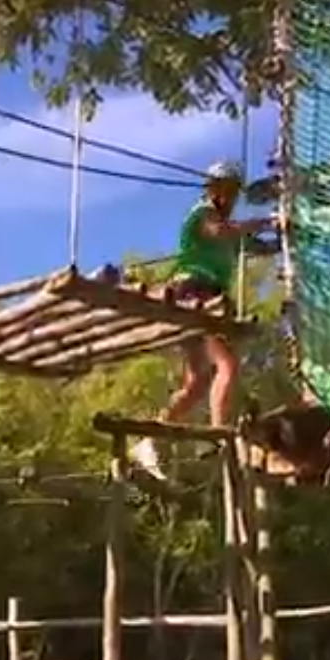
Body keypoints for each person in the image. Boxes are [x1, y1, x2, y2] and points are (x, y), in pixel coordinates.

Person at [130, 161, 280, 481]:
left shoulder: (231, 230)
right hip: (193, 292)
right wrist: (265, 220)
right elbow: (221, 231)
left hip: (203, 296)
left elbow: (258, 244)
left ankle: (150, 437)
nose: (229, 199)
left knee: (197, 381)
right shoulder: (202, 214)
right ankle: (217, 432)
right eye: (224, 191)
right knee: (227, 366)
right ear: (212, 189)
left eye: (233, 193)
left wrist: (285, 232)